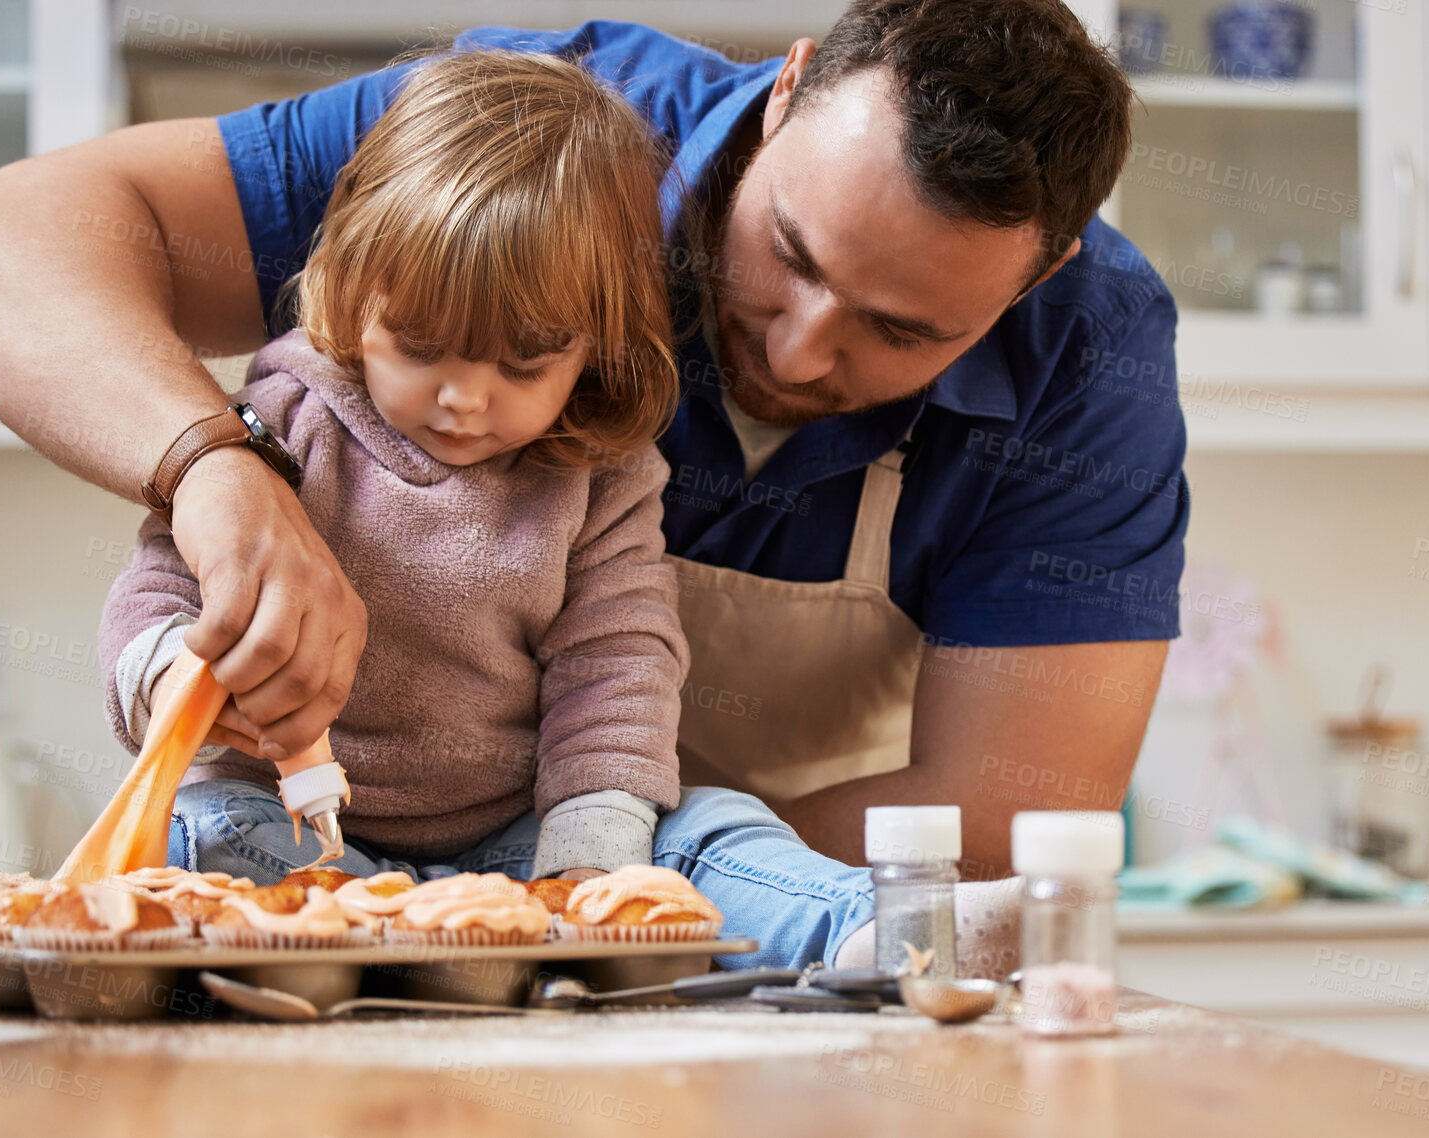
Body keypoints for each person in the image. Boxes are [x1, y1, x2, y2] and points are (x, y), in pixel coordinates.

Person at [0, 0, 1184, 889]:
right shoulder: (524, 146)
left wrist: (607, 891)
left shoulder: (1089, 349)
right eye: (787, 255)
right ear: (787, 88)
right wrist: (213, 466)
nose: (799, 354)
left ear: (1045, 269)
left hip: (750, 964)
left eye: (900, 331)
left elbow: (1014, 800)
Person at [98, 48, 890, 972]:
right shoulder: (274, 427)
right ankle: (369, 943)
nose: (465, 399)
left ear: (595, 349)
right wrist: (170, 679)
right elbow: (153, 597)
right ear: (355, 294)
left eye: (524, 365)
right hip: (291, 833)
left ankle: (871, 925)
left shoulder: (602, 478)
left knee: (713, 828)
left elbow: (616, 665)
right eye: (422, 345)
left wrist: (589, 866)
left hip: (511, 855)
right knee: (196, 834)